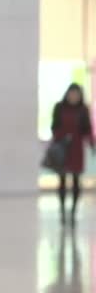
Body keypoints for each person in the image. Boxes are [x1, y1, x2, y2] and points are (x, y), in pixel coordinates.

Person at [51, 83, 94, 226]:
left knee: (76, 181)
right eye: (71, 93)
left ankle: (73, 212)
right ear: (67, 94)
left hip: (76, 150)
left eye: (76, 94)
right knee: (62, 181)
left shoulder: (83, 109)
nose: (73, 96)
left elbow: (87, 129)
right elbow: (54, 126)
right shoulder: (59, 107)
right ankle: (62, 211)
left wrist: (92, 144)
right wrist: (61, 137)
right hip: (63, 148)